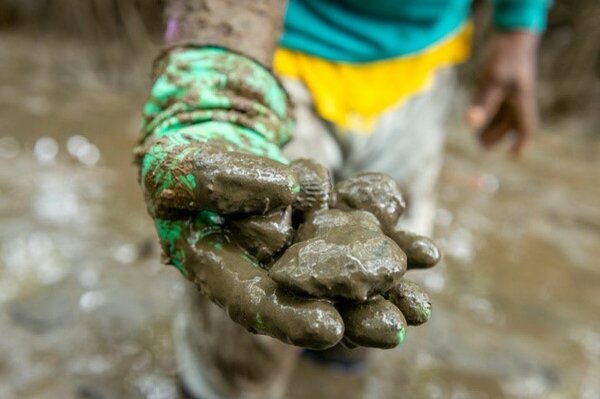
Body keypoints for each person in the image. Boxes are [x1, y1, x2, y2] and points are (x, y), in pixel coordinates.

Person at [134, 1, 550, 398]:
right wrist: (214, 78)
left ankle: (337, 371)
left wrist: (520, 24)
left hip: (423, 61)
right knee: (247, 287)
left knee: (372, 315)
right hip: (276, 52)